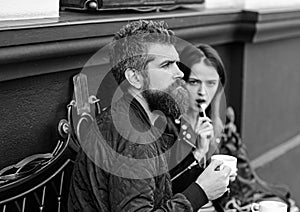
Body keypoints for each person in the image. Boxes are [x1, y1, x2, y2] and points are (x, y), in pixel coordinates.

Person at [68, 20, 230, 212]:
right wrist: (201, 192)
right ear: (135, 78)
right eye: (166, 65)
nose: (179, 73)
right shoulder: (134, 137)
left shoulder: (133, 120)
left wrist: (199, 160)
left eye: (177, 63)